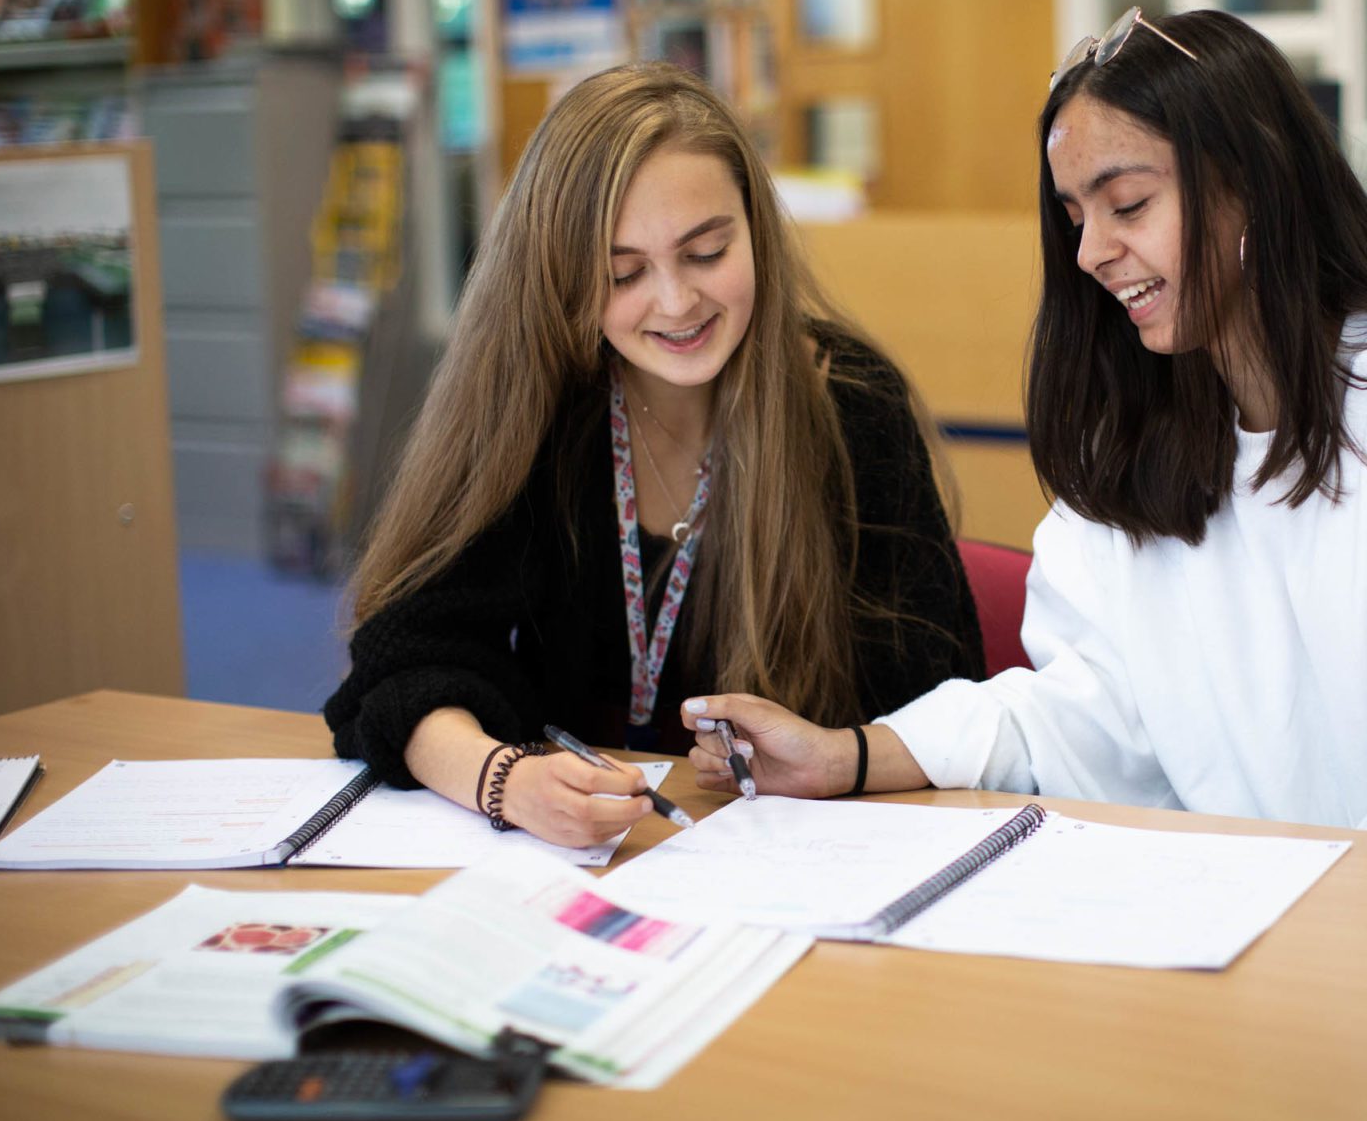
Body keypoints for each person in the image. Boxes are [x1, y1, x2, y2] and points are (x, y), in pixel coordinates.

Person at [682, 9, 1367, 861]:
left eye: (1127, 203)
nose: (1089, 251)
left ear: (1248, 183)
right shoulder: (1145, 420)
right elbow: (1086, 714)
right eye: (1076, 214)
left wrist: (1309, 942)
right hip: (1300, 921)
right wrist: (842, 756)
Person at [324, 64, 982, 848]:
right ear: (564, 279)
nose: (675, 303)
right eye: (623, 273)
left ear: (756, 230)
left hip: (808, 856)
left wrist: (840, 759)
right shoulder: (541, 402)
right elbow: (399, 661)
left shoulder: (849, 405)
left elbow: (946, 710)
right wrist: (507, 782)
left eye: (706, 252)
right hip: (579, 864)